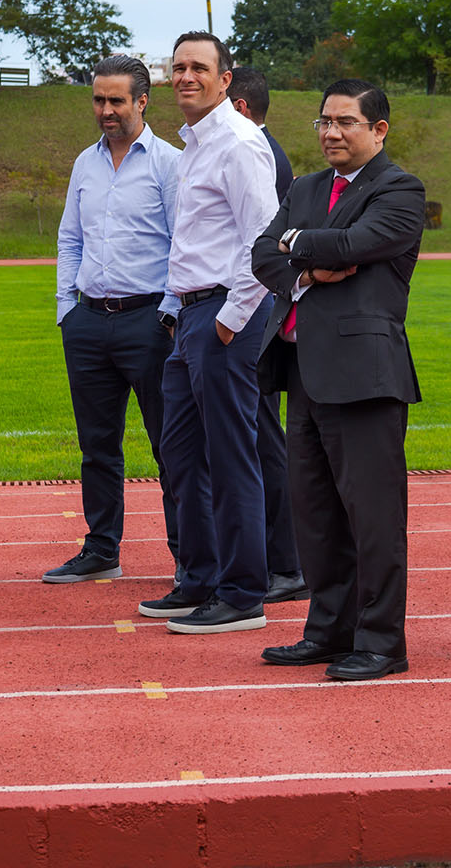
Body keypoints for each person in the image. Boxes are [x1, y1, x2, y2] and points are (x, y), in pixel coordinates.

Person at [253, 79, 425, 682]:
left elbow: (358, 241)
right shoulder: (304, 188)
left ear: (378, 130)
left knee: (373, 517)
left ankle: (382, 642)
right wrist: (305, 266)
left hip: (365, 377)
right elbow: (261, 254)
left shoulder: (399, 189)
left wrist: (294, 242)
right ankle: (329, 631)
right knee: (316, 513)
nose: (330, 132)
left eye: (346, 122)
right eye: (325, 121)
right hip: (302, 372)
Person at [138, 32, 280, 634]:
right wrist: (181, 312)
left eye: (199, 67)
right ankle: (197, 578)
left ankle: (243, 593)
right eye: (178, 67)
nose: (185, 76)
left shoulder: (240, 143)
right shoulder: (193, 144)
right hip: (190, 313)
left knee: (229, 456)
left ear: (227, 80)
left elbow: (264, 238)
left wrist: (227, 320)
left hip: (225, 312)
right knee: (181, 456)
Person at [47, 55, 181, 585]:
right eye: (98, 100)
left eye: (116, 100)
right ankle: (102, 549)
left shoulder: (169, 163)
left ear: (142, 101)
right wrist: (66, 309)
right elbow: (69, 238)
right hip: (88, 322)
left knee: (170, 444)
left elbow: (182, 244)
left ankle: (186, 556)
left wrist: (168, 314)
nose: (105, 109)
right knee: (97, 446)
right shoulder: (86, 162)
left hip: (149, 320)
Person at [227, 65, 306, 605]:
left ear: (239, 107)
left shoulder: (254, 151)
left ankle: (286, 561)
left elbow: (258, 244)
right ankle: (277, 558)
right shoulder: (263, 149)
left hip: (252, 311)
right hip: (254, 309)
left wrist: (232, 314)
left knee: (260, 440)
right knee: (257, 438)